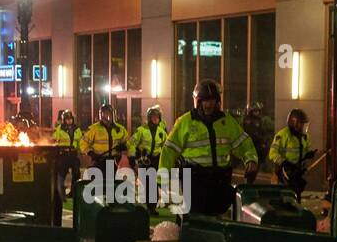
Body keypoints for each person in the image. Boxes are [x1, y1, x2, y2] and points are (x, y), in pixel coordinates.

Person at [160, 80, 259, 217]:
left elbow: (244, 144)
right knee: (195, 220)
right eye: (205, 101)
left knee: (220, 219)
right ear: (198, 101)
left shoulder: (227, 122)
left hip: (220, 180)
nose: (209, 104)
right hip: (195, 181)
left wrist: (251, 160)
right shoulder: (185, 122)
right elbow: (169, 151)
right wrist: (162, 180)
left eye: (212, 100)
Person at [131, 105, 168, 214]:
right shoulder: (141, 130)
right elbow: (132, 143)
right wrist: (134, 156)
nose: (155, 119)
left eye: (157, 117)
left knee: (154, 184)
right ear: (149, 118)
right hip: (144, 160)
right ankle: (149, 206)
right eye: (153, 117)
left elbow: (167, 146)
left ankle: (152, 207)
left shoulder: (162, 132)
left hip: (156, 160)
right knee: (147, 184)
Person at [270, 108, 315, 197]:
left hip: (297, 171)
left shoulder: (305, 137)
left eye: (304, 124)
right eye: (301, 124)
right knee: (285, 195)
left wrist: (308, 155)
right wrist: (283, 162)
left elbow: (305, 149)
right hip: (284, 172)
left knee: (297, 193)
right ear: (295, 123)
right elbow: (272, 153)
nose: (303, 127)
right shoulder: (282, 135)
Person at [82, 103, 129, 168]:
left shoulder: (120, 129)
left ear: (113, 115)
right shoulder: (93, 129)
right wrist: (90, 153)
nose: (106, 116)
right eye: (104, 114)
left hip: (114, 160)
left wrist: (124, 148)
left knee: (112, 178)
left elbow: (128, 142)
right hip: (99, 160)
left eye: (108, 114)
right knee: (98, 178)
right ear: (100, 115)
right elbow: (83, 143)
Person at [53, 109, 83, 204]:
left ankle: (73, 192)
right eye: (67, 119)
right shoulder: (59, 129)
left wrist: (81, 152)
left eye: (70, 119)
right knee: (61, 173)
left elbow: (80, 142)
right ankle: (60, 192)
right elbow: (54, 140)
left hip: (73, 154)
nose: (69, 121)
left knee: (76, 173)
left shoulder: (77, 129)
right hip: (64, 154)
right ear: (63, 120)